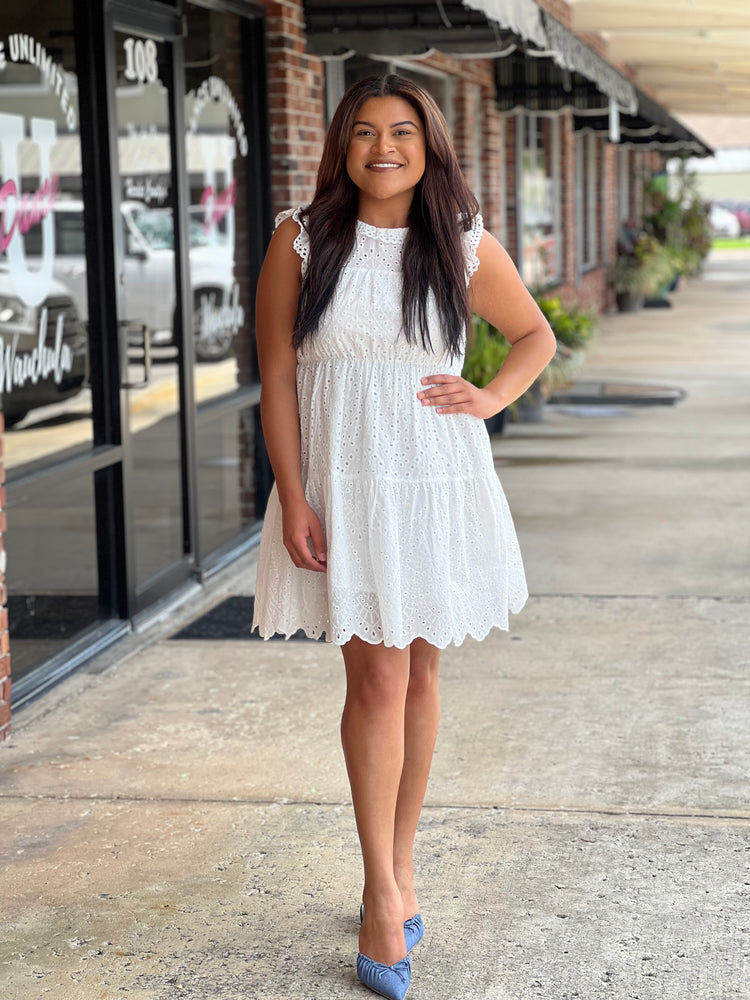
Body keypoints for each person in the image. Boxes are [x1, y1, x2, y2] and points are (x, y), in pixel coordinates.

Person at [252, 74, 556, 1000]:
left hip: (436, 482)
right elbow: (275, 376)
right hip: (344, 488)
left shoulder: (460, 243)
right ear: (342, 146)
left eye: (404, 133)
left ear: (430, 147)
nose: (385, 148)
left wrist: (491, 397)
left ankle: (403, 859)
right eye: (366, 134)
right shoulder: (300, 241)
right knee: (376, 674)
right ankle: (382, 893)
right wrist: (294, 496)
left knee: (422, 671)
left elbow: (534, 335)